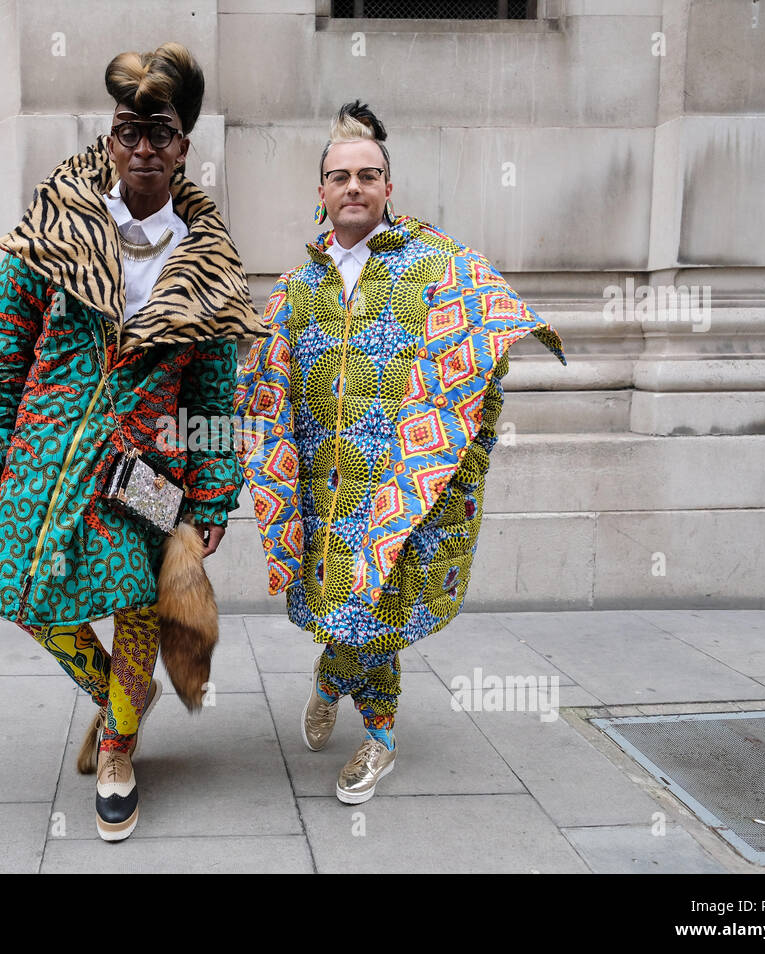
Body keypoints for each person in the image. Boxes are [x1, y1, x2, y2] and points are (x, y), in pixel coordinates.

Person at [0, 42, 262, 840]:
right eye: (128, 130)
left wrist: (212, 498)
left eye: (159, 133)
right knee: (27, 599)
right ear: (111, 135)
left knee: (134, 608)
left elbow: (212, 396)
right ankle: (118, 696)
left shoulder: (211, 269)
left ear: (183, 146)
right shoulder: (58, 222)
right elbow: (2, 340)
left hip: (145, 474)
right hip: (45, 458)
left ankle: (120, 747)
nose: (141, 149)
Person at [235, 101, 567, 804]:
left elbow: (483, 353)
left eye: (368, 175)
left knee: (373, 606)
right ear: (320, 193)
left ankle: (377, 736)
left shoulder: (440, 266)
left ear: (389, 188)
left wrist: (462, 450)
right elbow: (258, 387)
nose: (353, 187)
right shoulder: (293, 291)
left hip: (399, 482)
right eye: (339, 176)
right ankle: (332, 678)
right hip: (325, 488)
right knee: (341, 604)